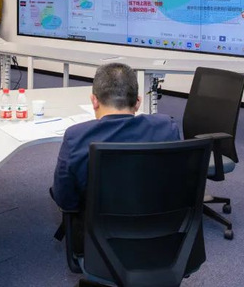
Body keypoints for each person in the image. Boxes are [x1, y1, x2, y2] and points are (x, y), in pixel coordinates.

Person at [52, 63, 181, 253]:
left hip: (99, 242)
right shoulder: (166, 128)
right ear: (138, 102)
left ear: (94, 101)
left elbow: (65, 200)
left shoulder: (76, 137)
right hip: (161, 233)